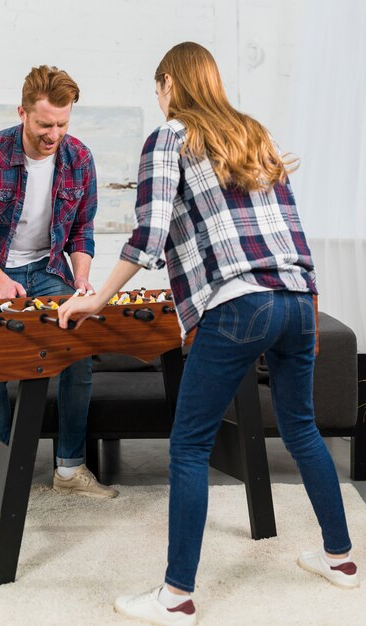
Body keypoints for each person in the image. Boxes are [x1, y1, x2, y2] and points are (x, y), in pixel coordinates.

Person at [58, 42, 358, 625]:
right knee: (300, 429)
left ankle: (176, 597)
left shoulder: (170, 136)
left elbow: (149, 232)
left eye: (157, 87)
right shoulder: (253, 134)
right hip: (297, 299)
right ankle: (341, 561)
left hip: (239, 304)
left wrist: (98, 296)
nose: (158, 97)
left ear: (170, 82)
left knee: (190, 444)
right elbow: (293, 227)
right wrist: (308, 310)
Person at [0, 65, 118, 499]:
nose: (54, 133)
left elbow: (82, 229)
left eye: (63, 123)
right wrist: (1, 281)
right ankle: (5, 471)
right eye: (45, 124)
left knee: (77, 351)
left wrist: (81, 277)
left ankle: (69, 469)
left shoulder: (78, 158)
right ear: (22, 112)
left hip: (49, 271)